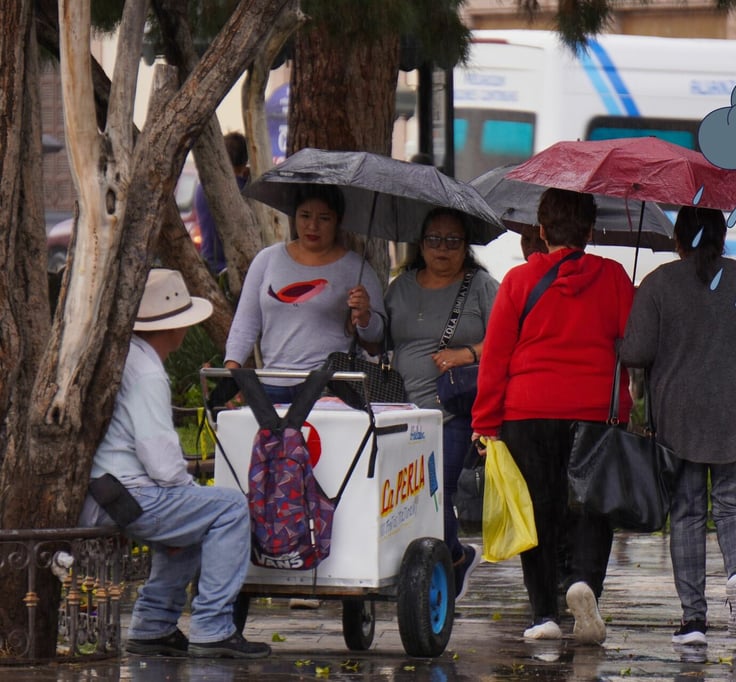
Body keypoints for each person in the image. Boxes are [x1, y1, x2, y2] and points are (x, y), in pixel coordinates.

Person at [618, 206, 736, 648]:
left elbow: (636, 354)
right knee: (734, 506)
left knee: (686, 513)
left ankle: (693, 621)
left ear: (678, 241)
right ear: (723, 239)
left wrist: (624, 337)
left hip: (679, 418)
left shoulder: (659, 283)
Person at [79, 268, 271, 659]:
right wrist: (189, 492)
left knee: (196, 516)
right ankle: (212, 627)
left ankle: (154, 626)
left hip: (106, 491)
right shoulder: (148, 373)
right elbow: (162, 462)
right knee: (230, 509)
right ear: (175, 328)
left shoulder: (126, 357)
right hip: (126, 495)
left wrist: (189, 501)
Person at [471, 188, 634, 644]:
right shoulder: (614, 276)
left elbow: (496, 357)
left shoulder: (520, 280)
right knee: (593, 506)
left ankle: (543, 613)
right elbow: (634, 344)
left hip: (528, 411)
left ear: (541, 232)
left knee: (538, 509)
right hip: (596, 412)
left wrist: (485, 423)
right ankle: (584, 582)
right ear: (590, 231)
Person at [384, 207, 498, 601]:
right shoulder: (399, 288)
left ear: (466, 247)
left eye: (453, 241)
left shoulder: (481, 286)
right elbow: (377, 340)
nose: (443, 249)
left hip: (454, 410)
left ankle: (445, 564)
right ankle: (454, 556)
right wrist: (362, 316)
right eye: (434, 239)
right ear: (420, 244)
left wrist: (467, 353)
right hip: (402, 411)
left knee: (438, 489)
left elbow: (509, 338)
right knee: (410, 494)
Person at [224, 184, 385, 403]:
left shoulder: (357, 268)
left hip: (328, 388)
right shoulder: (267, 259)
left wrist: (365, 317)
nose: (312, 226)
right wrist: (230, 375)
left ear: (337, 221)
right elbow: (245, 323)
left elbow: (376, 341)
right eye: (305, 216)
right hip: (272, 384)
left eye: (324, 218)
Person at [194, 132, 249, 274]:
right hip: (237, 270)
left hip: (210, 266)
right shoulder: (245, 190)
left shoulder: (204, 187)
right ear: (245, 160)